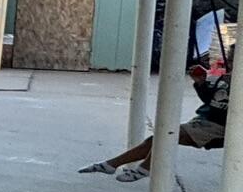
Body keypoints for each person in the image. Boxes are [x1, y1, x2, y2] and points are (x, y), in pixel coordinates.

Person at [81, 68, 227, 181]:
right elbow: (210, 99)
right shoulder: (225, 79)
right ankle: (111, 164)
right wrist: (201, 83)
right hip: (204, 120)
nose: (231, 61)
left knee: (168, 134)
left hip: (218, 127)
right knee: (156, 140)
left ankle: (145, 168)